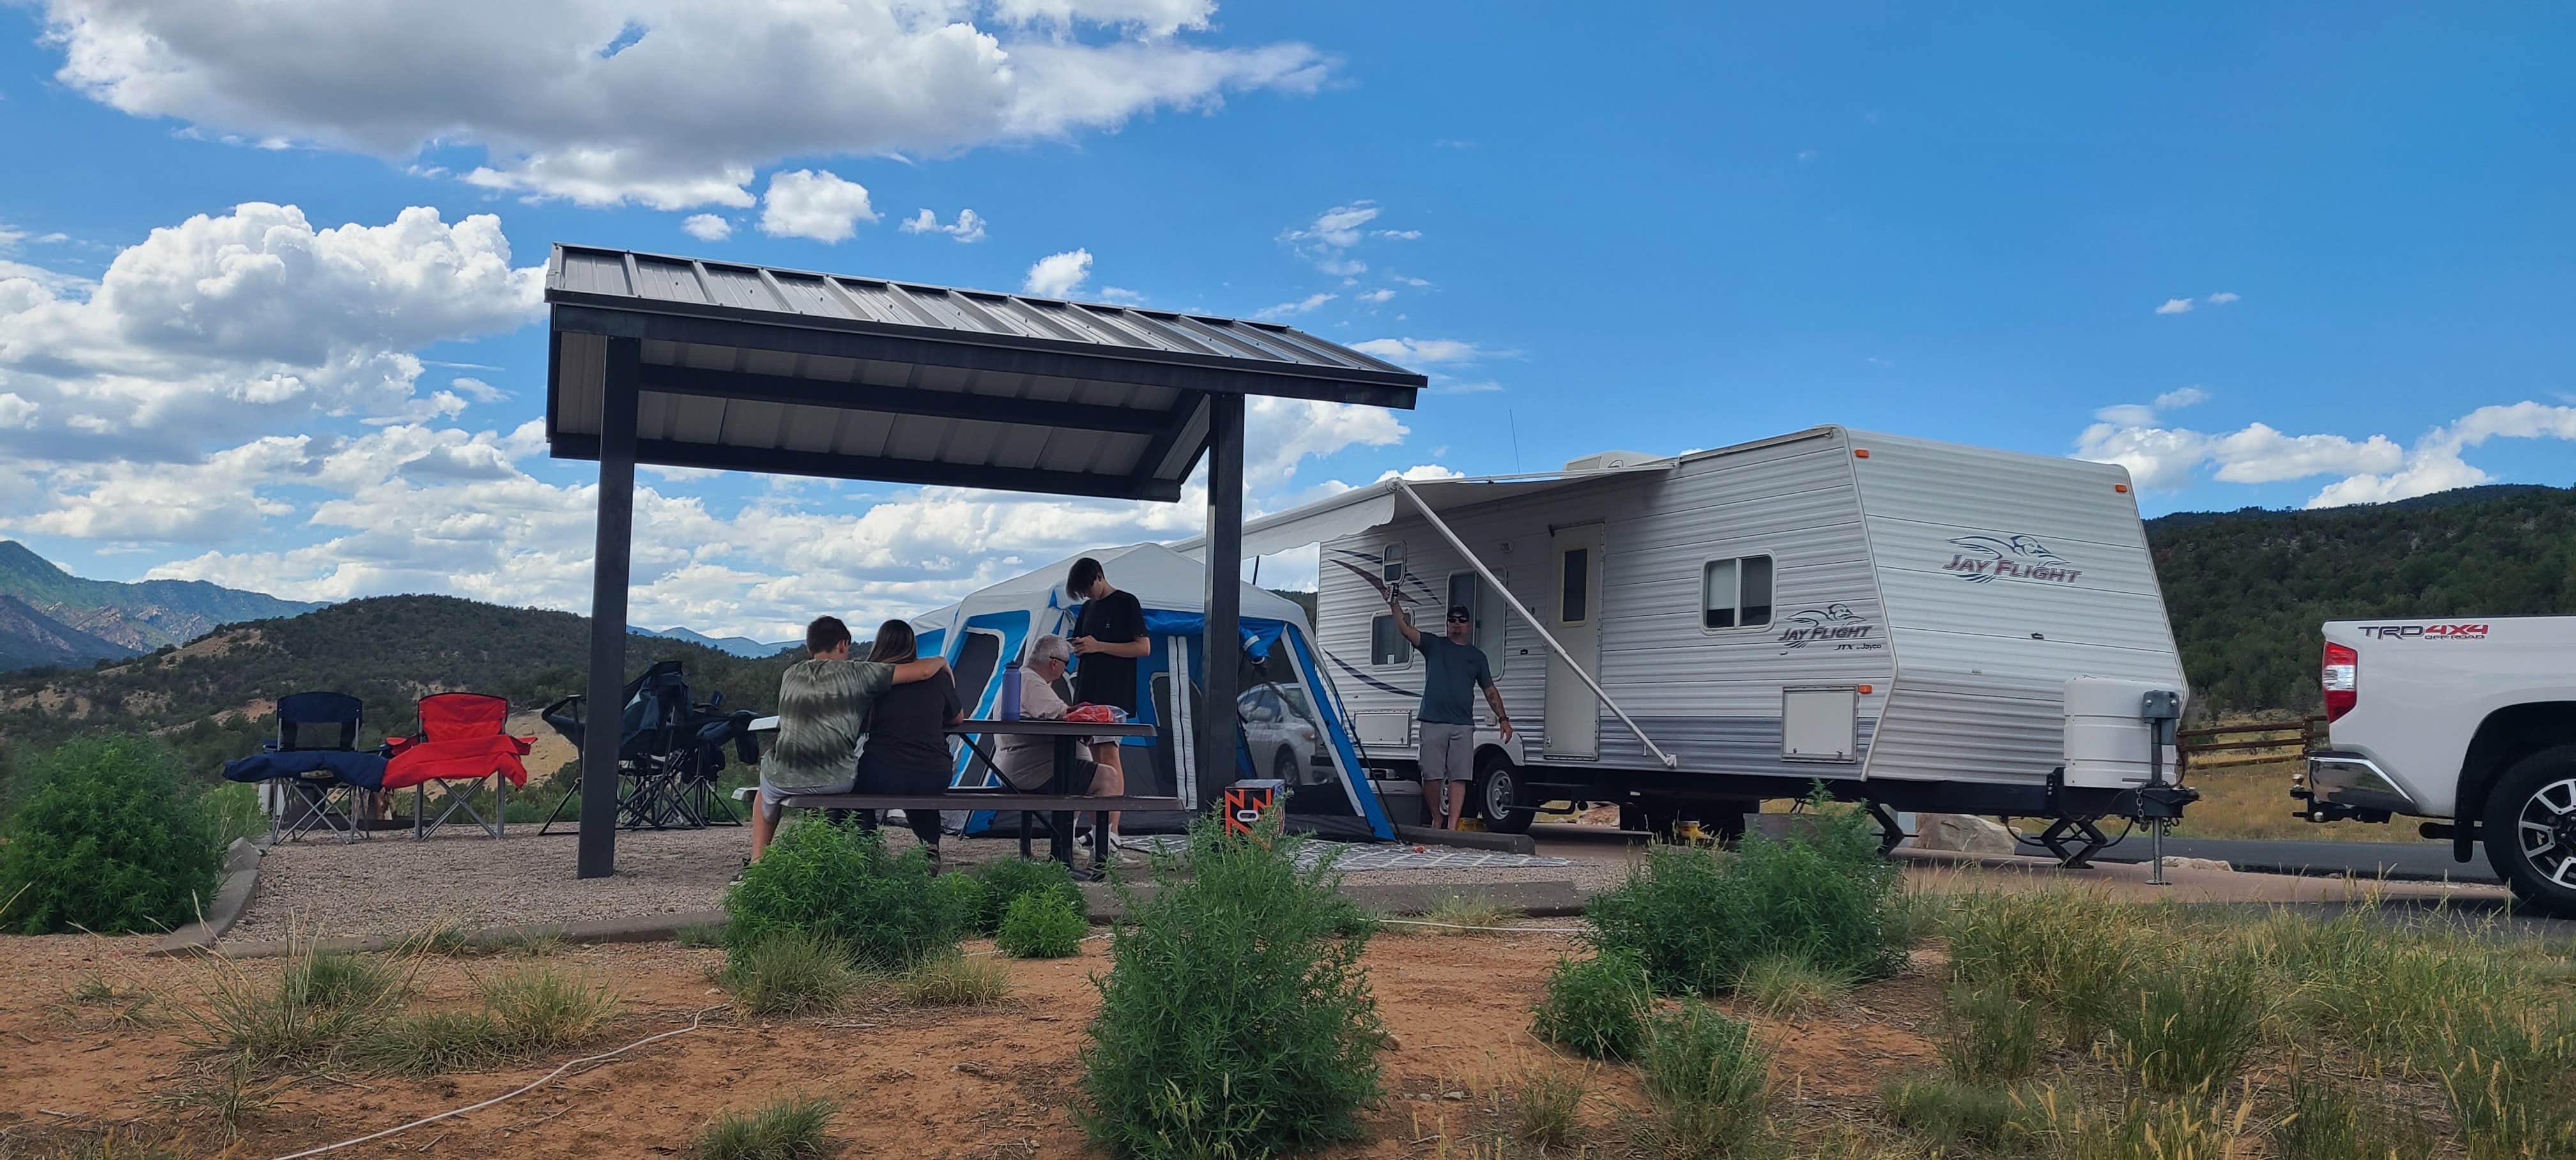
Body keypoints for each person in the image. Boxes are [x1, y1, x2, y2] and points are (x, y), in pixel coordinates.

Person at [753, 614, 947, 861]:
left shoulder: (790, 674)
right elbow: (922, 672)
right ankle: (866, 852)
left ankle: (758, 862)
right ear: (843, 645)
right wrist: (942, 661)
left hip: (786, 777)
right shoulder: (857, 673)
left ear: (810, 646)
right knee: (861, 781)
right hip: (837, 779)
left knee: (764, 792)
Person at [995, 635, 1130, 867]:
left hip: (1016, 766)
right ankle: (1103, 850)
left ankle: (1070, 842)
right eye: (1067, 664)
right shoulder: (1032, 683)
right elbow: (1061, 714)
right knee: (1107, 777)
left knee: (1080, 772)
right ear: (1055, 663)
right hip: (1031, 772)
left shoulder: (1021, 680)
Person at [1388, 595, 1514, 829]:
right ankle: (1437, 815)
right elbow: (1406, 630)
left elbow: (1490, 690)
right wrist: (1393, 604)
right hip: (1433, 721)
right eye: (1452, 620)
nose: (1456, 623)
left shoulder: (1477, 657)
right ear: (1447, 624)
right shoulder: (1433, 645)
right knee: (1431, 774)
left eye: (1461, 620)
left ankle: (1452, 826)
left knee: (1460, 776)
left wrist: (1503, 719)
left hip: (1463, 724)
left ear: (1468, 625)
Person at [852, 618, 962, 872]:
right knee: (920, 790)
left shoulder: (871, 680)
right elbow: (957, 718)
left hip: (882, 772)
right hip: (934, 774)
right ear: (913, 645)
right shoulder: (935, 677)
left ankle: (867, 851)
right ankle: (931, 848)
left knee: (853, 792)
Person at [1065, 556, 1147, 850]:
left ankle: (1112, 831)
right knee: (1091, 762)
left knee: (1109, 757)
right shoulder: (1088, 608)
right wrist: (1079, 648)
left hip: (1113, 696)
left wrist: (1099, 646)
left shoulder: (1127, 603)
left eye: (1089, 588)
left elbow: (1143, 647)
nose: (1087, 595)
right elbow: (1083, 643)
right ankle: (1096, 826)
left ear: (1099, 576)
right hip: (1087, 692)